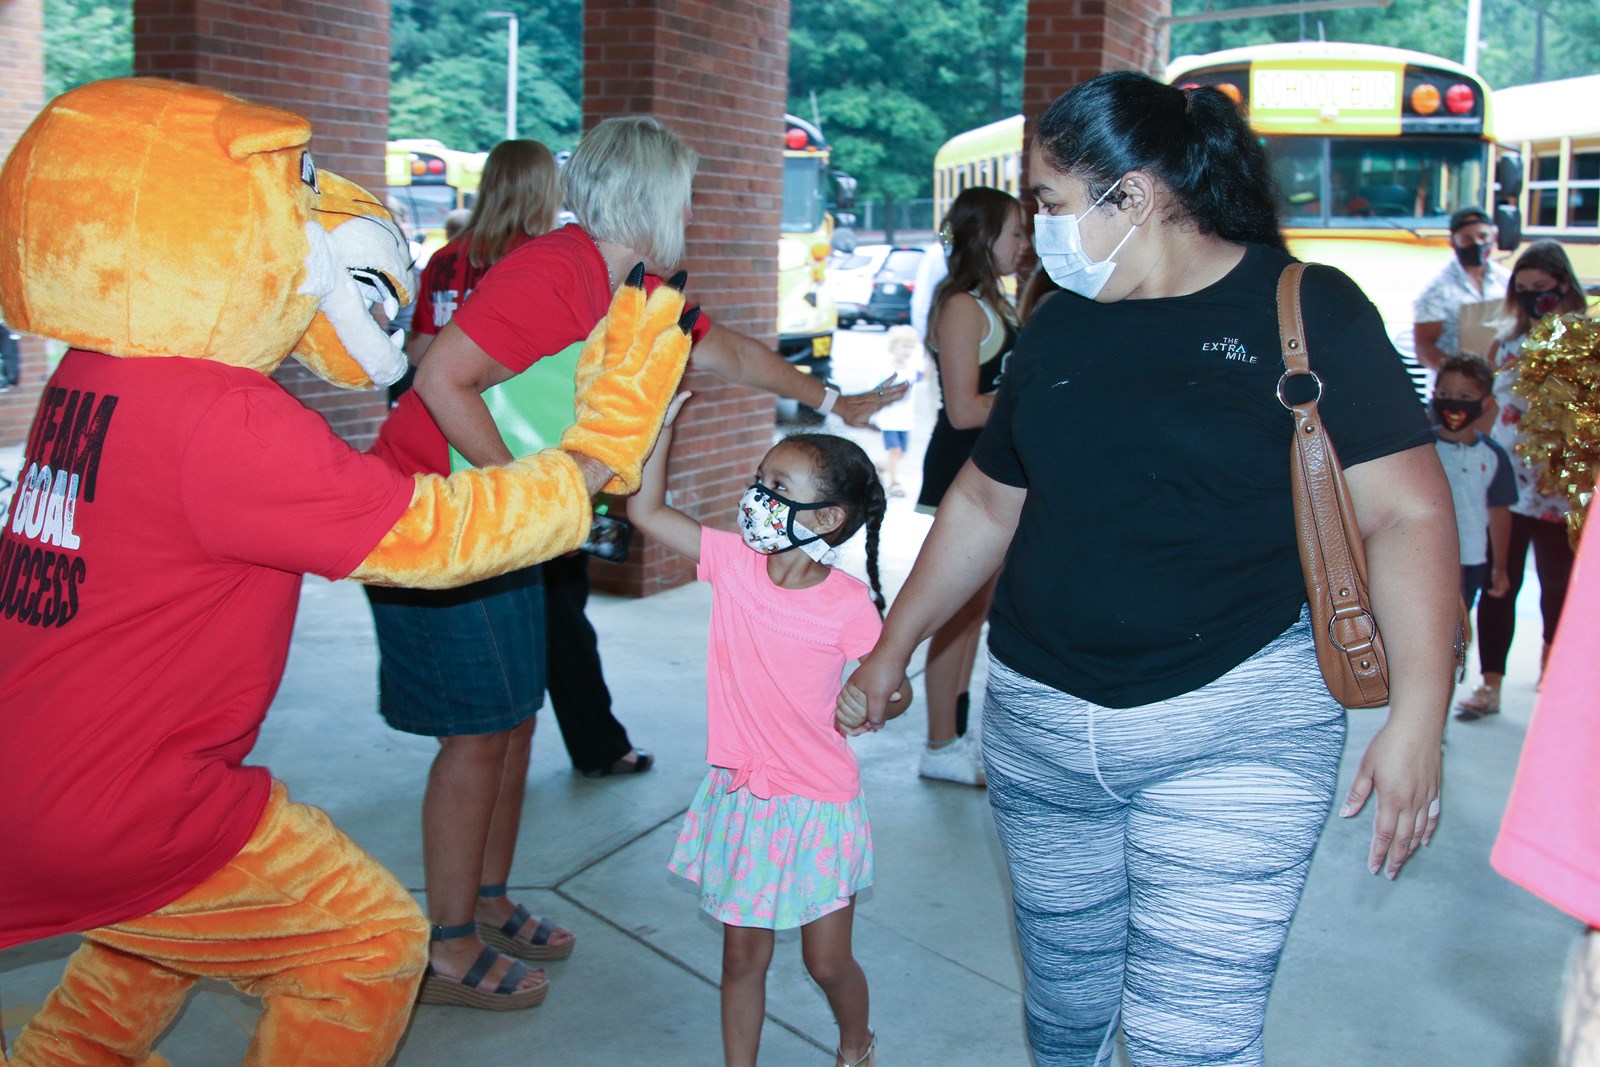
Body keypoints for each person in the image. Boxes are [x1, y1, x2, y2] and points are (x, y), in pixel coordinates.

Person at [847, 72, 1457, 1066]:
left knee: (1190, 1041)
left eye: (1050, 203)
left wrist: (1417, 715)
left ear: (1132, 195)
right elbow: (985, 501)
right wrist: (892, 649)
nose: (1038, 228)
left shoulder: (1307, 307)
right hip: (1041, 727)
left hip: (1238, 724)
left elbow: (1407, 510)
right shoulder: (1060, 324)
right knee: (1065, 1016)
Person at [368, 116, 906, 1010]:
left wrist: (834, 396)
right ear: (650, 196)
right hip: (440, 517)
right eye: (686, 191)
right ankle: (449, 944)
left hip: (498, 525)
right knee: (476, 733)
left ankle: (487, 897)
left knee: (513, 716)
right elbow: (438, 378)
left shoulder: (631, 284)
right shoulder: (558, 269)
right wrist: (526, 499)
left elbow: (719, 347)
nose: (692, 207)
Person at [627, 397, 911, 1067]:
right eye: (760, 480)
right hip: (742, 797)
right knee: (740, 956)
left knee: (827, 960)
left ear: (828, 519)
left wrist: (870, 700)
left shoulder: (846, 605)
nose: (757, 495)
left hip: (818, 802)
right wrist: (661, 427)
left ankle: (855, 1044)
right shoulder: (731, 564)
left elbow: (893, 687)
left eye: (777, 488)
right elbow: (645, 510)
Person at [913, 186, 1029, 786]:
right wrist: (1035, 392)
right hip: (964, 469)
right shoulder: (961, 306)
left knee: (974, 612)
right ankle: (939, 743)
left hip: (993, 471)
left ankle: (952, 738)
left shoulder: (996, 301)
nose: (1024, 244)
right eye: (1014, 232)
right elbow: (962, 408)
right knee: (955, 614)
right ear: (984, 238)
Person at [1455, 240, 1591, 721]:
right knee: (1500, 584)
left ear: (1563, 286)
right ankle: (1490, 685)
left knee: (1558, 585)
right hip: (1507, 486)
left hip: (1559, 490)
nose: (1534, 296)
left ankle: (1554, 675)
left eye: (1543, 288)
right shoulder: (1505, 341)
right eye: (1524, 288)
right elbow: (1487, 413)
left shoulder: (1587, 341)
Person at [1430, 353, 1516, 613]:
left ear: (1486, 404)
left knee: (1459, 629)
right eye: (1445, 393)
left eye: (1465, 398)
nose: (1453, 403)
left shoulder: (1493, 456)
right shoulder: (1422, 449)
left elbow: (1500, 514)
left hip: (1471, 560)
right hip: (1427, 557)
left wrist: (1499, 568)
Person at [1413, 206, 1511, 372]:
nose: (1477, 243)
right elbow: (1424, 347)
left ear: (1494, 236)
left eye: (1483, 236)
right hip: (1456, 389)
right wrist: (1459, 377)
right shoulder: (1436, 289)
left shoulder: (1507, 281)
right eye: (1467, 238)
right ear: (1453, 243)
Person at [878, 325, 923, 497]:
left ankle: (882, 466)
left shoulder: (911, 370)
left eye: (911, 347)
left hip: (905, 419)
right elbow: (875, 389)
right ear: (893, 346)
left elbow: (924, 377)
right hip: (889, 419)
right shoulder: (886, 370)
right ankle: (894, 483)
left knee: (900, 453)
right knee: (895, 451)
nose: (908, 351)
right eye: (904, 346)